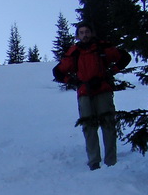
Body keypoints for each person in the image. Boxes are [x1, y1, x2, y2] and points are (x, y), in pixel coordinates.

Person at [53, 23, 130, 170]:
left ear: (92, 33)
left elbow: (125, 57)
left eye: (87, 32)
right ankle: (94, 162)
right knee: (88, 126)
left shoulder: (102, 48)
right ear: (77, 35)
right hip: (84, 92)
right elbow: (57, 71)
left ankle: (110, 161)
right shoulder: (74, 53)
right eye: (81, 32)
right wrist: (73, 81)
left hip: (102, 90)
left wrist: (111, 71)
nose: (85, 35)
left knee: (107, 124)